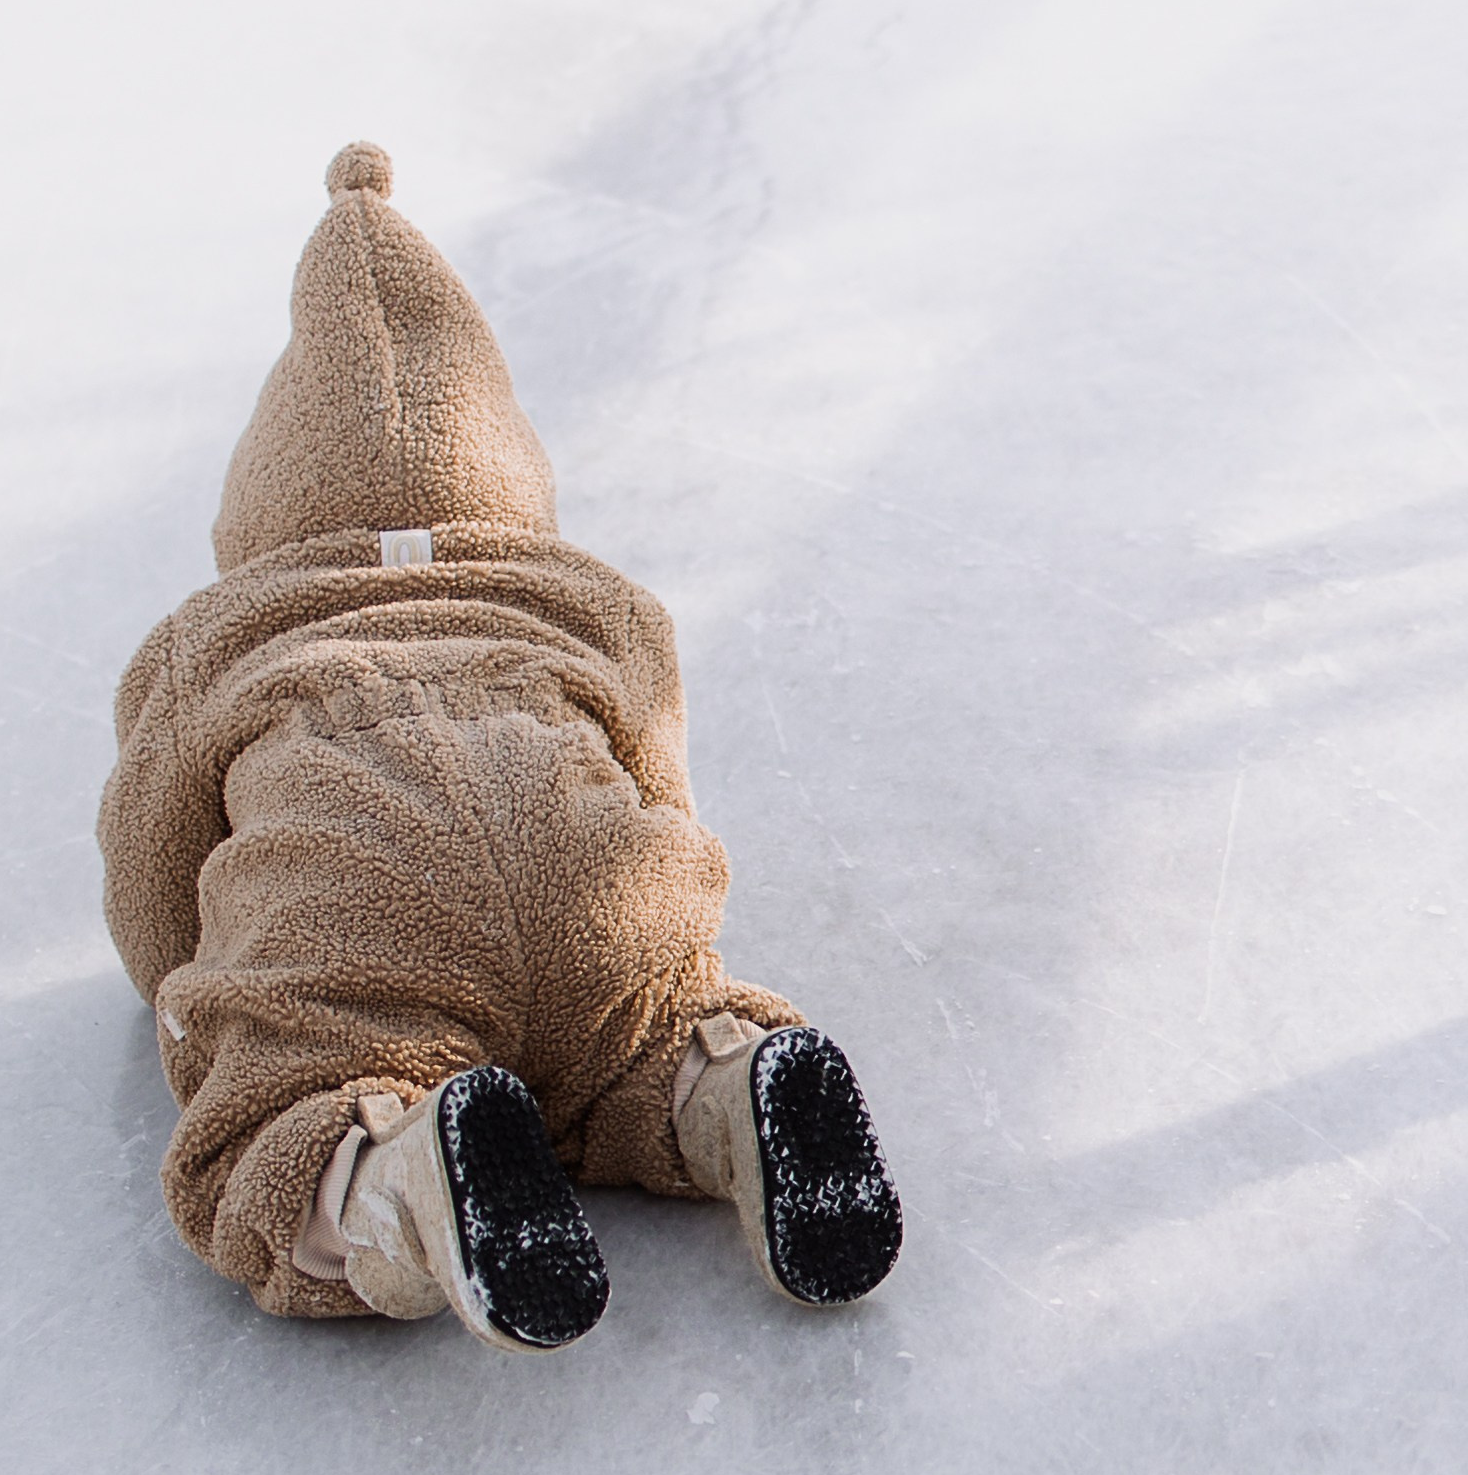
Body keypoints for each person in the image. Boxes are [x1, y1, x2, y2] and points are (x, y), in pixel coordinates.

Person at [98, 144, 901, 1352]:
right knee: (633, 1033)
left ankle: (399, 1175)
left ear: (257, 512)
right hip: (596, 881)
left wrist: (189, 998)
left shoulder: (207, 642)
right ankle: (728, 1079)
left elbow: (152, 878)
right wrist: (658, 931)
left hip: (364, 899)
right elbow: (657, 779)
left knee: (261, 1145)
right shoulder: (595, 602)